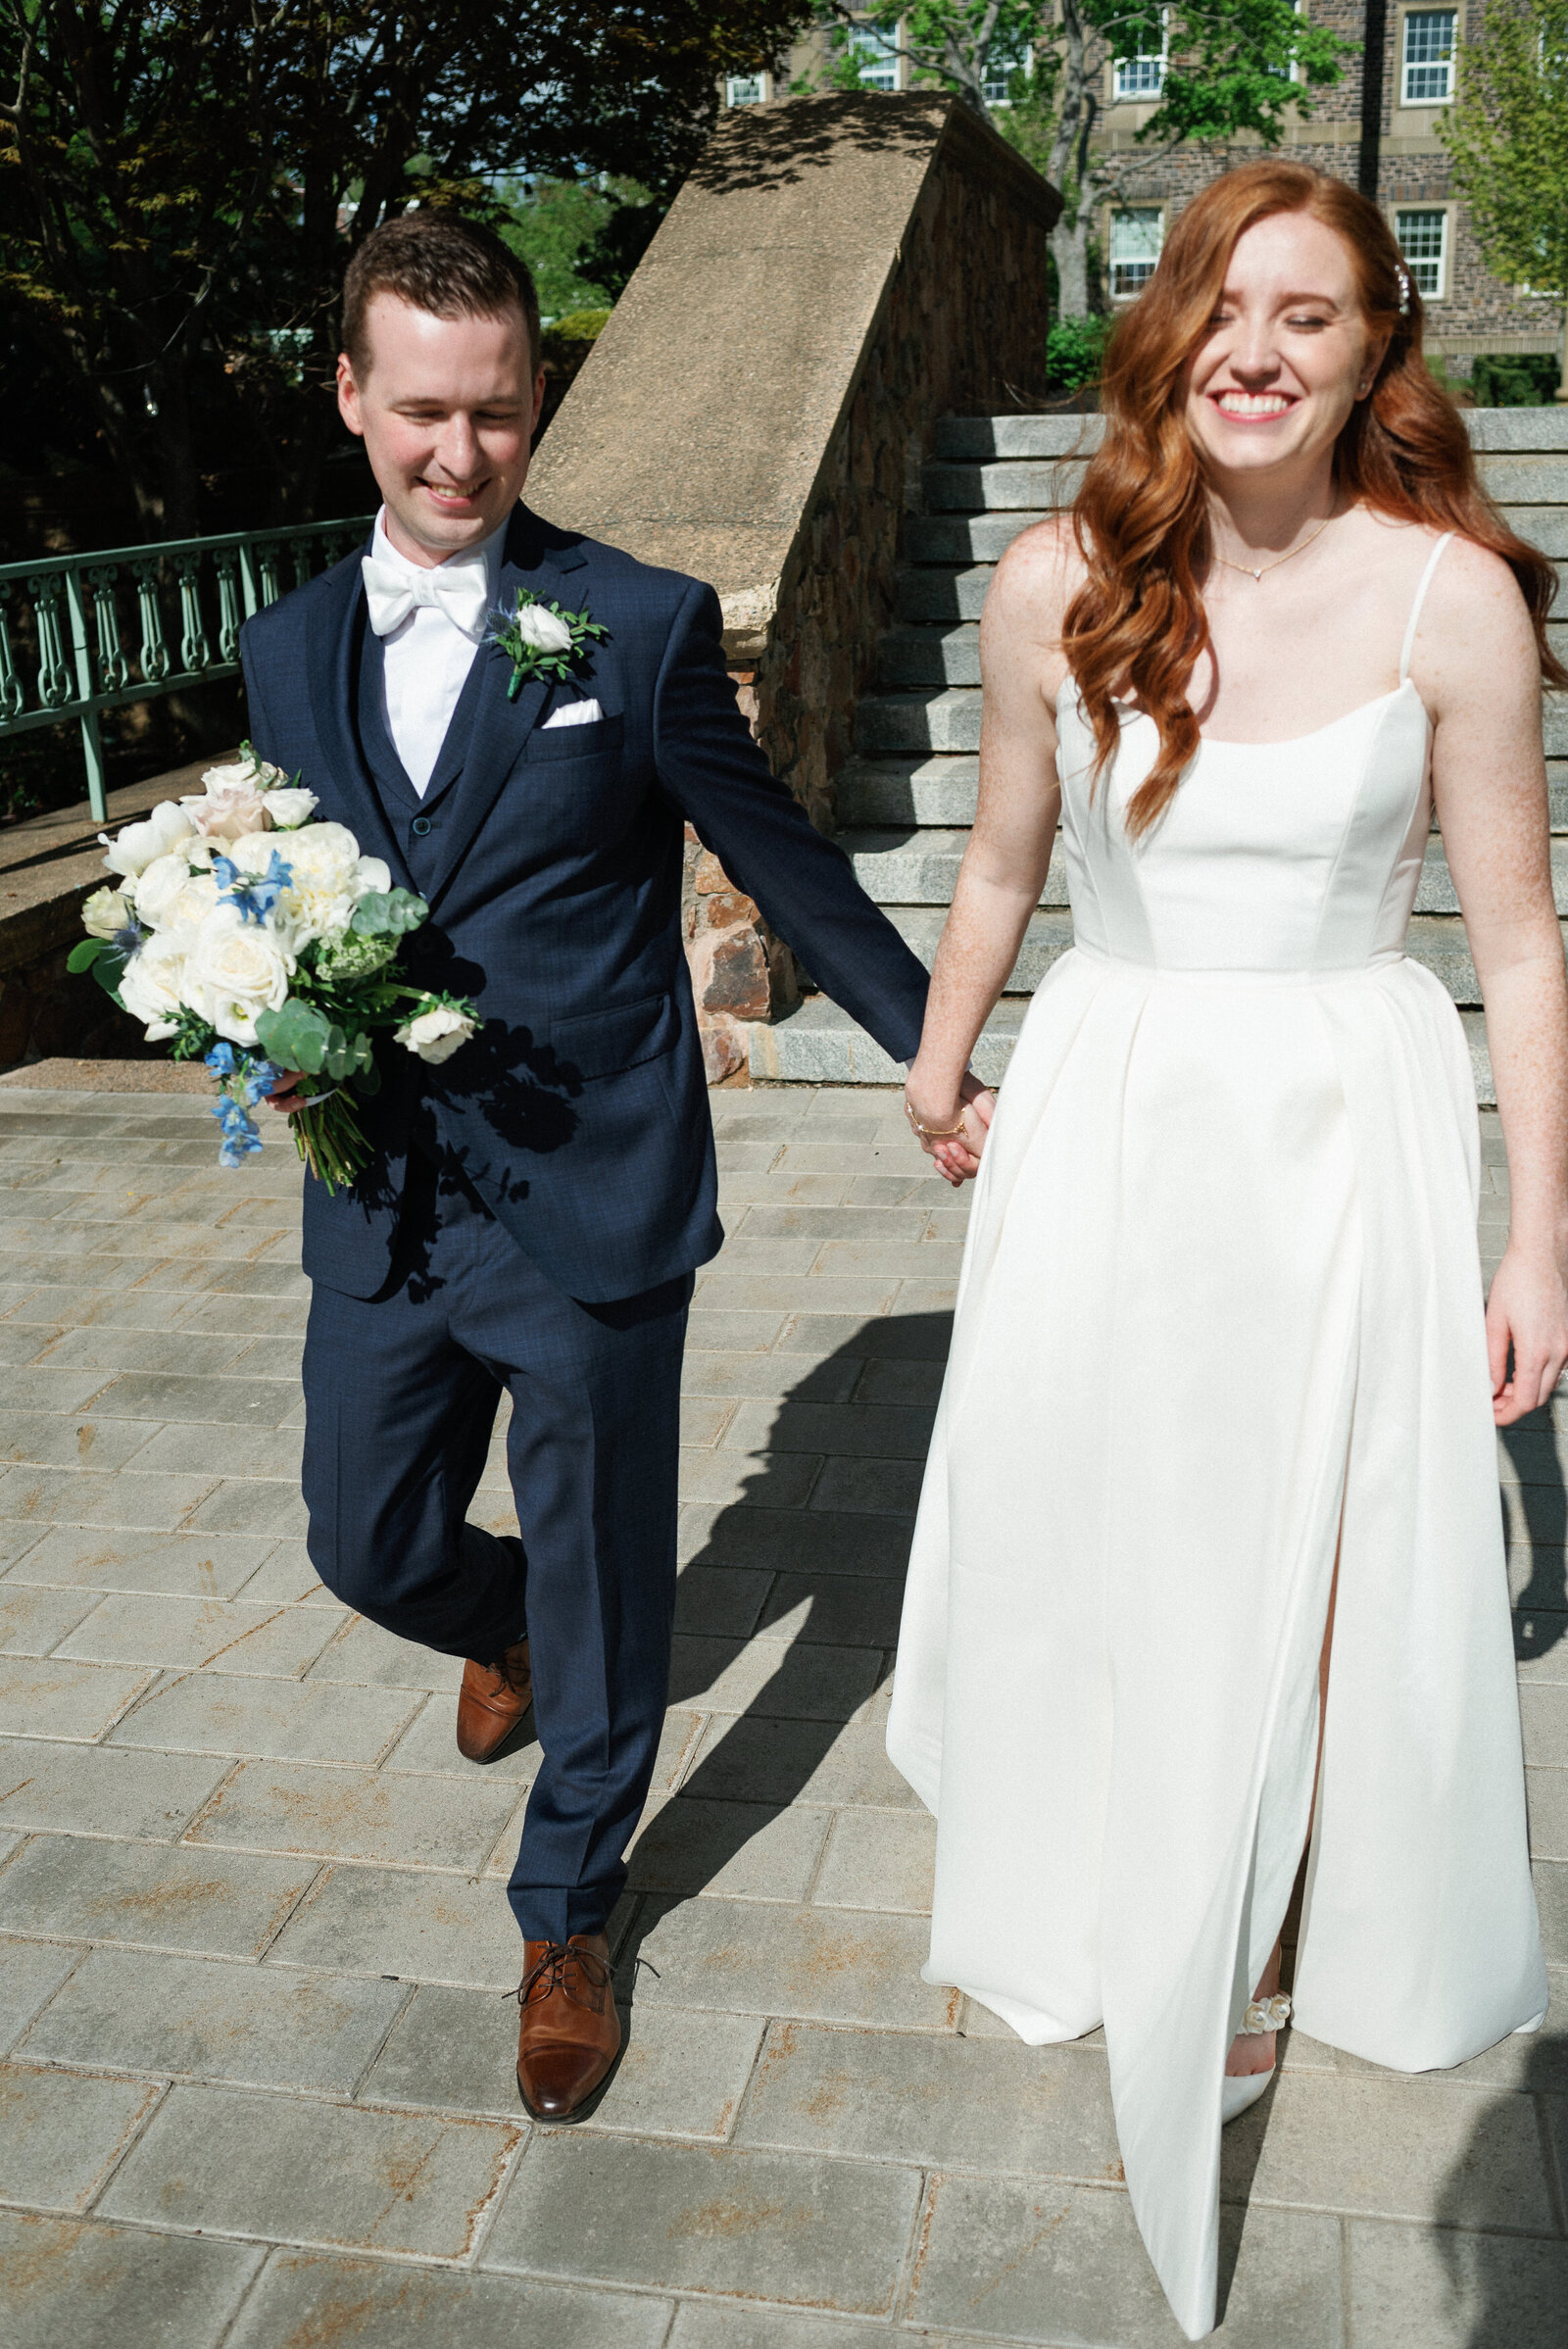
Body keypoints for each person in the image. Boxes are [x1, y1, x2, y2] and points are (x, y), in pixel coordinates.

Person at [886, 161, 1562, 2341]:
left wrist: (1537, 1238)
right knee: (1104, 1512)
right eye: (1219, 306)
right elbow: (997, 858)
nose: (1256, 349)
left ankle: (1260, 1929)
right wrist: (937, 1043)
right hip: (1106, 1104)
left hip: (1337, 1119)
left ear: (1377, 345)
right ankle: (1107, 1849)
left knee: (1321, 1537)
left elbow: (1523, 944)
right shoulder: (1047, 580)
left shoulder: (1447, 598)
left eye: (1309, 312)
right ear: (1165, 329)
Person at [240, 212, 972, 2124]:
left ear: (535, 395)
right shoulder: (285, 646)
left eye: (493, 412)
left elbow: (784, 852)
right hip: (380, 1186)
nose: (457, 454)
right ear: (347, 395)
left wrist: (937, 1040)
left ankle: (568, 1907)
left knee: (606, 1575)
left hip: (589, 1189)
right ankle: (499, 1623)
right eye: (419, 412)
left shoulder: (623, 623)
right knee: (361, 1532)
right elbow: (297, 889)